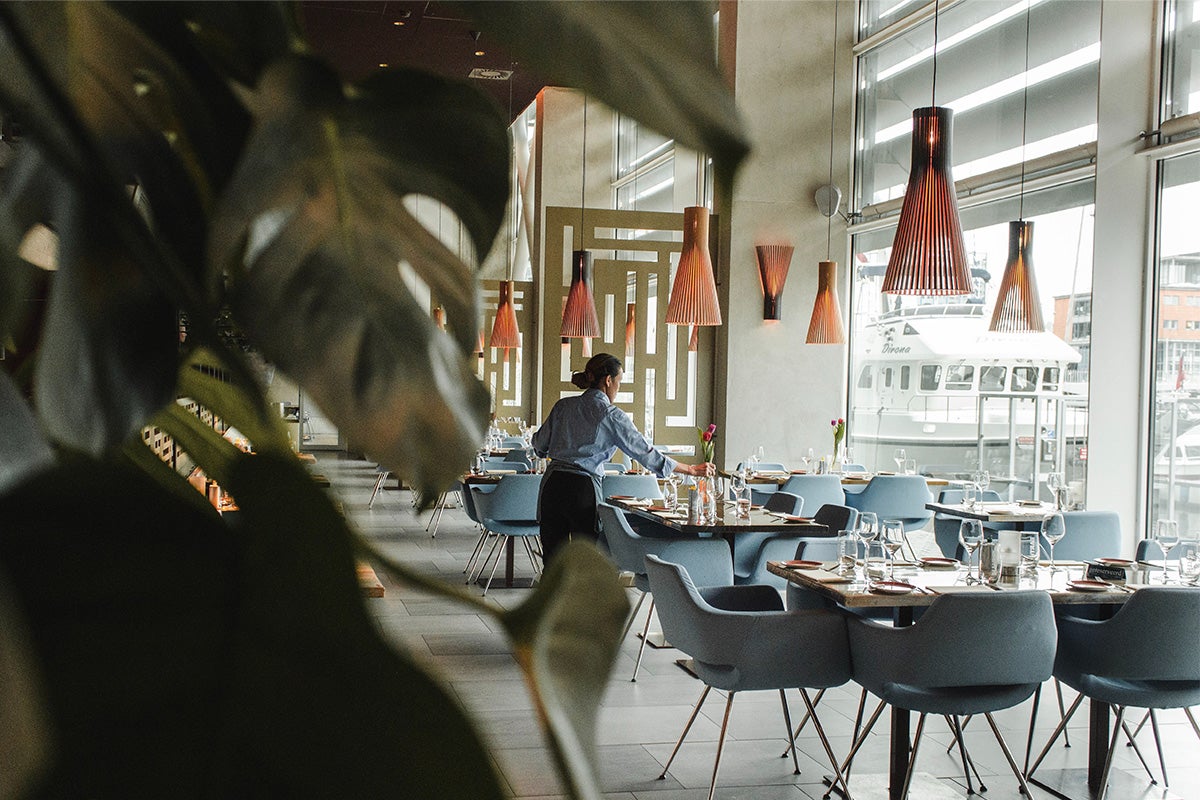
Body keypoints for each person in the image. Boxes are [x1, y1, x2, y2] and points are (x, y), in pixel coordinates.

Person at [531, 353, 712, 564]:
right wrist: (689, 469)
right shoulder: (610, 414)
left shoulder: (563, 406)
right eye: (619, 382)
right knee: (585, 564)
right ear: (608, 380)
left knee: (552, 563)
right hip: (582, 490)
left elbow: (538, 445)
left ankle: (552, 597)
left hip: (552, 486)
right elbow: (644, 452)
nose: (618, 388)